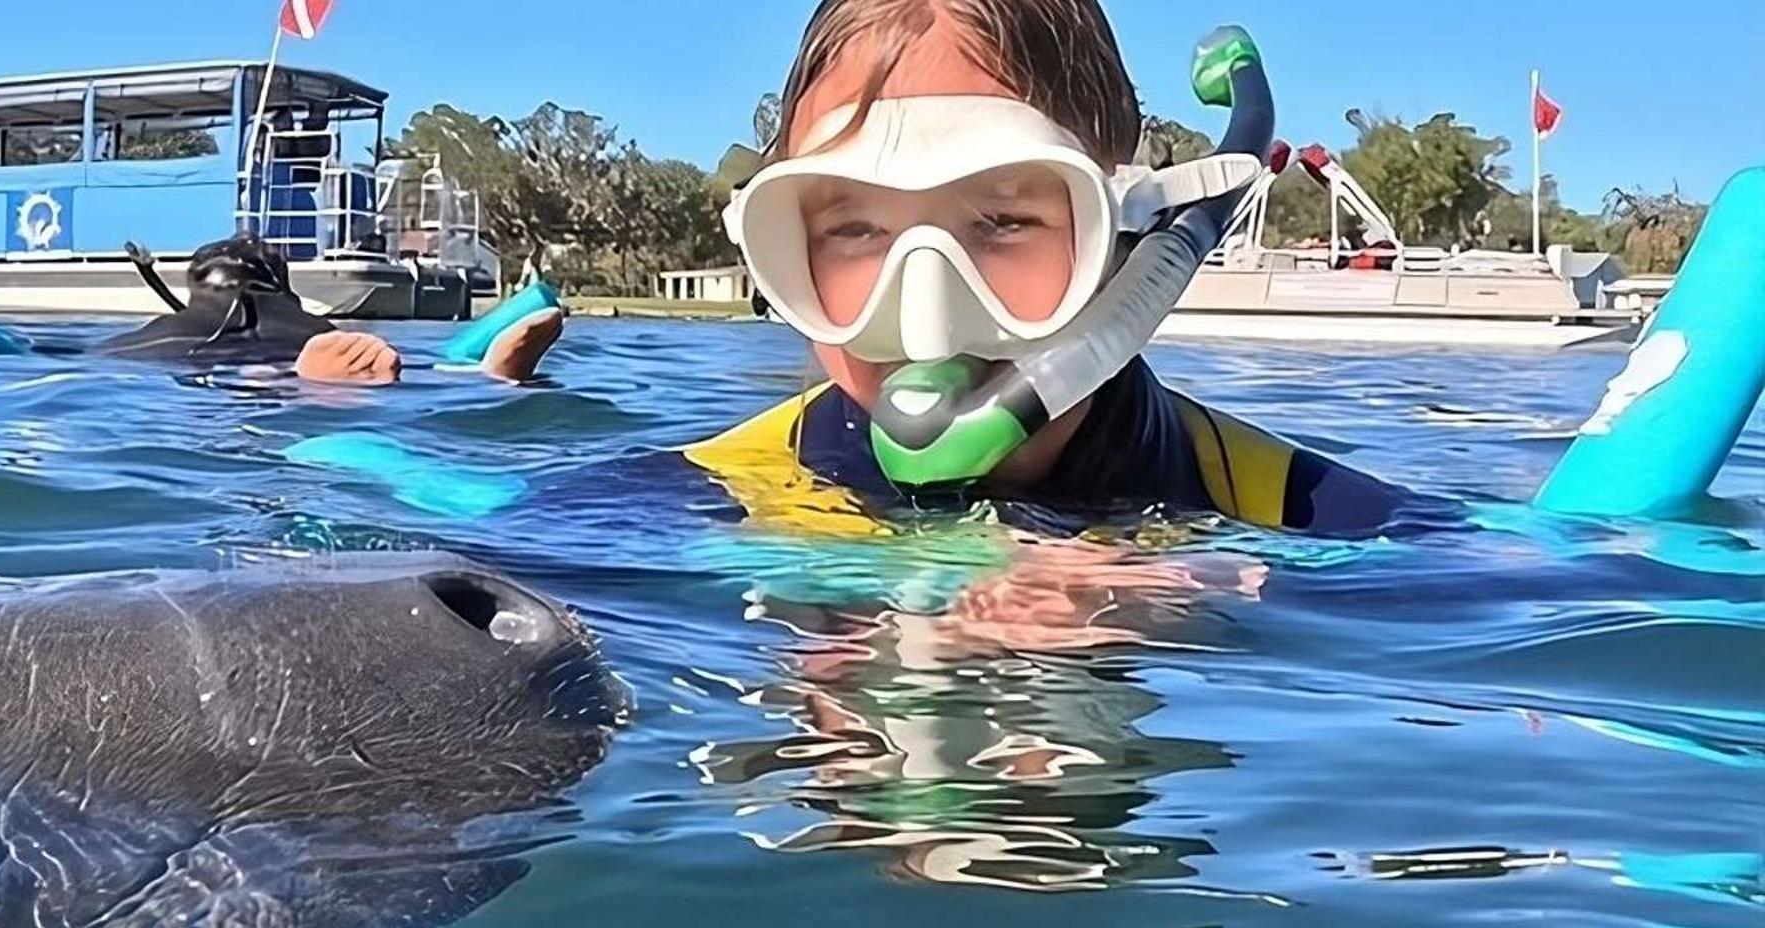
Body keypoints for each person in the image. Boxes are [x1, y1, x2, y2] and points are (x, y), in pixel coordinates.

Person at [298, 0, 1405, 534]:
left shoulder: (1257, 500)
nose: (924, 312)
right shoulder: (727, 491)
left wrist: (1198, 585)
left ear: (1128, 243)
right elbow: (465, 518)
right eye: (853, 234)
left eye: (1008, 222)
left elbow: (1542, 580)